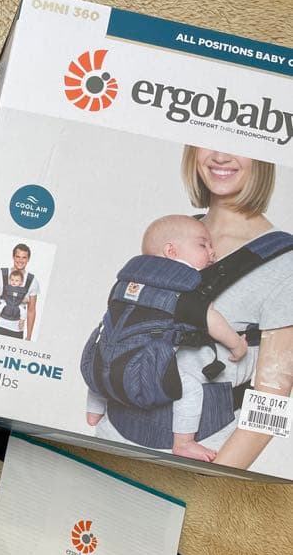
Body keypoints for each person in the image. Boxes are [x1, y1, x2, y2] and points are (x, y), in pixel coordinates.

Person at [94, 148, 293, 471]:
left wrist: (210, 480)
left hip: (197, 456)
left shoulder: (285, 261)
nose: (221, 156)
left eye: (239, 145)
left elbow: (272, 400)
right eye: (210, 141)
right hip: (109, 434)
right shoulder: (170, 233)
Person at [87, 214, 249, 462]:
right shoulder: (181, 291)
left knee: (104, 361)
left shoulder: (123, 284)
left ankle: (93, 412)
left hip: (101, 367)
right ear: (171, 251)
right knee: (190, 388)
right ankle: (184, 443)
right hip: (145, 369)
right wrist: (237, 345)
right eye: (203, 245)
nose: (212, 252)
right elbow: (211, 320)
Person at [0, 243, 40, 339]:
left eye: (24, 257)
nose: (20, 260)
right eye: (18, 257)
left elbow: (31, 310)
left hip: (16, 331)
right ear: (13, 257)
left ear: (28, 259)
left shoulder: (32, 281)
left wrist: (29, 336)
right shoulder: (1, 274)